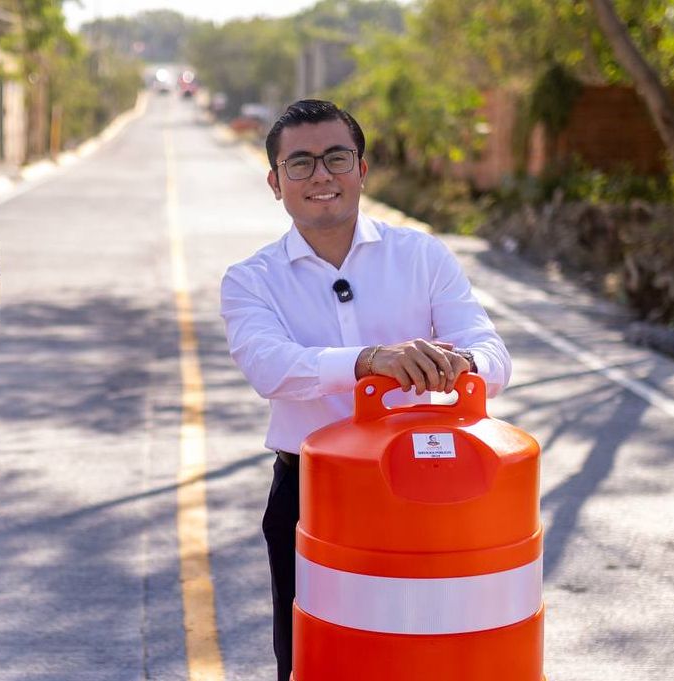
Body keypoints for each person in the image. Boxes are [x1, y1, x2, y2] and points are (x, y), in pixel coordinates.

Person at [219, 99, 511, 681]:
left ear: (362, 169)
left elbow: (492, 357)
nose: (321, 175)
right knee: (318, 659)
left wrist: (455, 364)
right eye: (299, 164)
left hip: (433, 486)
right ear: (276, 184)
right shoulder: (251, 279)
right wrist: (370, 362)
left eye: (336, 157)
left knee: (437, 656)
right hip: (312, 493)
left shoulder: (422, 256)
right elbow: (268, 367)